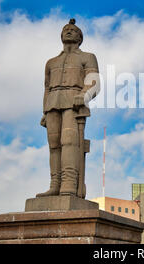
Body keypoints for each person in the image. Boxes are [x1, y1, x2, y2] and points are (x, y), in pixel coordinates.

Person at [37, 18, 99, 198]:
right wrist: (44, 111)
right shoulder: (51, 62)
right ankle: (54, 184)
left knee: (70, 141)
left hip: (74, 101)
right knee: (54, 145)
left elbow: (94, 82)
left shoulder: (87, 57)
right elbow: (46, 88)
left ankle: (69, 183)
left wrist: (85, 95)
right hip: (53, 103)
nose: (68, 31)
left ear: (80, 37)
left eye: (73, 30)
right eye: (65, 29)